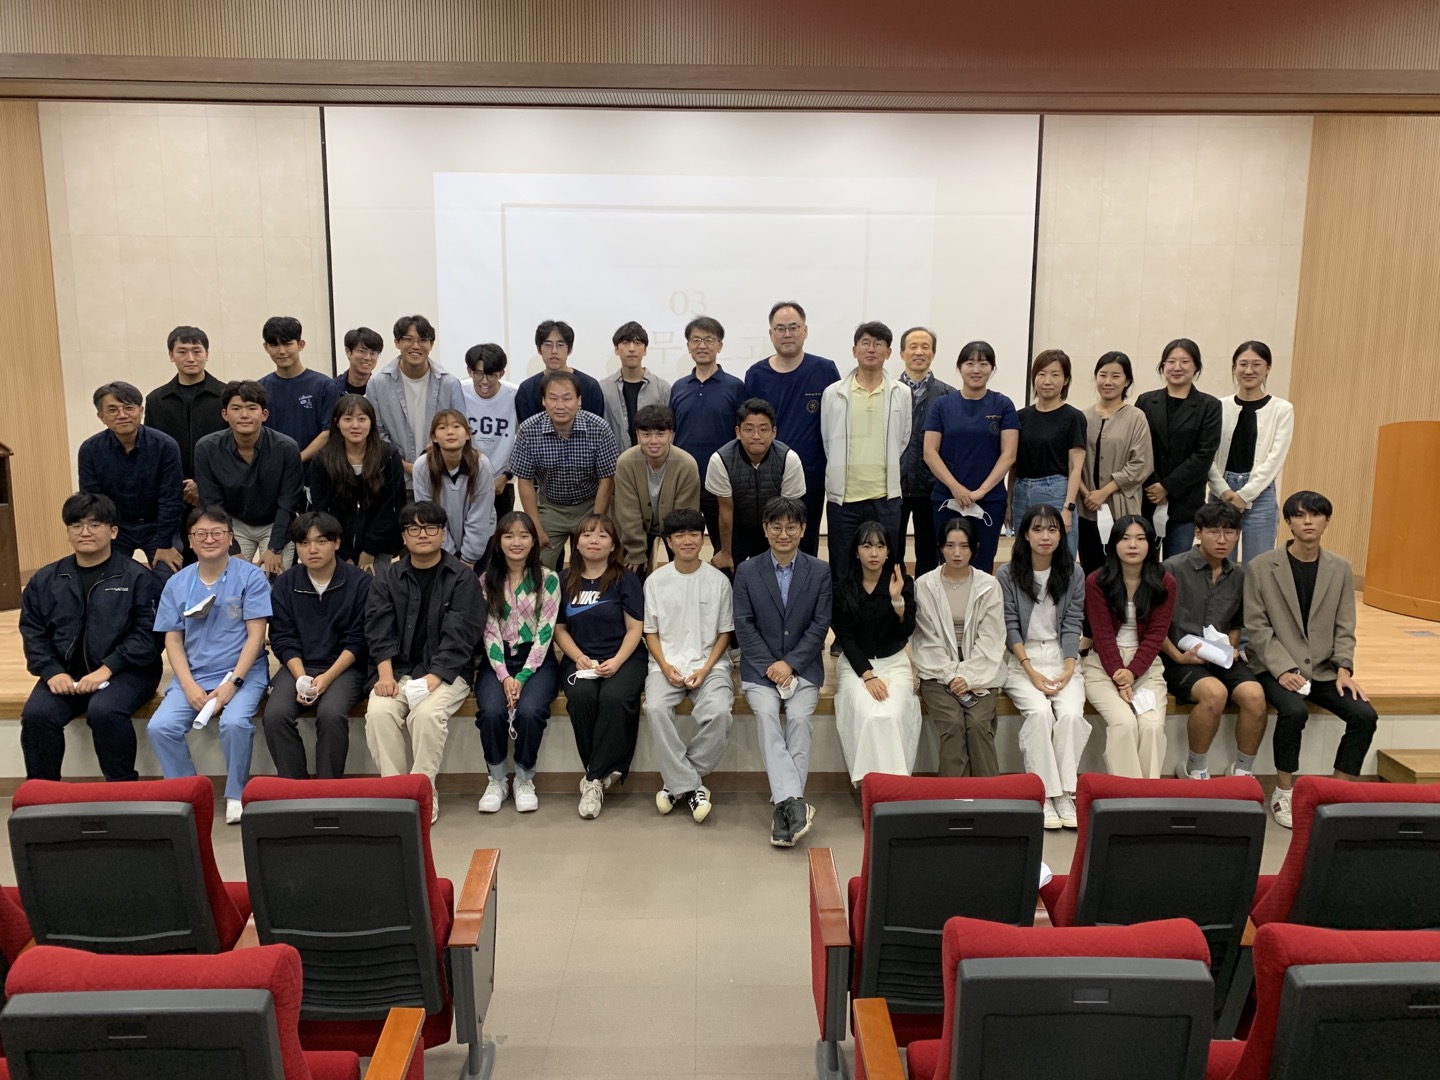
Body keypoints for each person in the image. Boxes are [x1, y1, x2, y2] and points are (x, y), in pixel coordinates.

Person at [1246, 491, 1377, 829]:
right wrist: (1283, 669)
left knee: (1365, 715)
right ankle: (1284, 791)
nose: (1308, 521)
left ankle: (1337, 790)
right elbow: (1257, 627)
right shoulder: (1261, 566)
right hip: (1276, 666)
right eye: (1300, 515)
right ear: (1288, 522)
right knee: (1294, 711)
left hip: (1323, 669)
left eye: (1316, 515)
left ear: (1326, 521)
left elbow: (1345, 625)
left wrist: (1344, 668)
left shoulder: (1340, 568)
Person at [19, 493, 162, 782]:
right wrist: (51, 671)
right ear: (68, 532)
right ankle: (42, 795)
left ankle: (122, 790)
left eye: (95, 525)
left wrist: (107, 668)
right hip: (66, 672)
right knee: (37, 715)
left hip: (128, 670)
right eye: (76, 525)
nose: (85, 532)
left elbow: (149, 635)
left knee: (104, 711)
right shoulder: (46, 579)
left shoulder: (137, 578)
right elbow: (33, 631)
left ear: (113, 531)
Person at [363, 501, 485, 823]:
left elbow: (462, 635)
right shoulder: (387, 577)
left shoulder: (462, 578)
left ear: (443, 534)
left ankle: (421, 794)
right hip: (397, 670)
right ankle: (395, 794)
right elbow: (378, 628)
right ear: (404, 536)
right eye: (413, 528)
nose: (423, 534)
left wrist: (434, 677)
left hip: (447, 673)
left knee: (426, 715)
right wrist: (385, 675)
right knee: (379, 712)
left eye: (431, 527)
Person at [148, 506, 271, 825]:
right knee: (161, 727)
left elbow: (256, 636)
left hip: (243, 673)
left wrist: (234, 683)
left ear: (230, 538)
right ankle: (188, 793)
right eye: (200, 533)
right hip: (194, 674)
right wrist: (188, 685)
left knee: (235, 723)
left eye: (217, 532)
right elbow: (173, 640)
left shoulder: (251, 577)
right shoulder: (176, 583)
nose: (209, 539)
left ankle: (236, 794)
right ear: (189, 541)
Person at [733, 496, 832, 847]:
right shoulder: (747, 571)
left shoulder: (819, 571)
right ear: (765, 529)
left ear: (804, 529)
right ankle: (794, 804)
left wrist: (790, 663)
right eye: (776, 527)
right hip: (760, 669)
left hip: (802, 668)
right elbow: (743, 625)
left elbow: (820, 625)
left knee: (801, 721)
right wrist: (771, 665)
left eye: (791, 527)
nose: (784, 533)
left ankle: (784, 809)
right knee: (766, 716)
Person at [1162, 500, 1268, 781]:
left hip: (1219, 656)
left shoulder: (1238, 575)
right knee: (1215, 694)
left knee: (1255, 696)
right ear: (1198, 532)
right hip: (1178, 657)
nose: (1222, 540)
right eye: (1214, 532)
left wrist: (1230, 646)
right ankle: (1194, 767)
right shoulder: (1172, 568)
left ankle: (1242, 770)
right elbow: (1153, 625)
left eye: (1230, 532)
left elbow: (1235, 624)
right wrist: (1177, 656)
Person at [997, 504, 1088, 830]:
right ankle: (1044, 794)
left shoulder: (1073, 573)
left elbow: (1072, 623)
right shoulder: (1007, 574)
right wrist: (1030, 669)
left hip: (1062, 656)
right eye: (1037, 529)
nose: (1045, 536)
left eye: (1052, 529)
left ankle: (1065, 793)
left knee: (1071, 715)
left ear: (1061, 535)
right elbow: (1009, 625)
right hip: (1023, 658)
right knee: (1039, 713)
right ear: (1025, 534)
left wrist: (1069, 666)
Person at [550, 514, 646, 820]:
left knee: (615, 698)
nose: (594, 541)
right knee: (582, 698)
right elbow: (559, 629)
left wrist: (617, 661)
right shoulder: (563, 580)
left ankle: (592, 779)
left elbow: (635, 628)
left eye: (603, 535)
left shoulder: (626, 579)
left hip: (625, 656)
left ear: (614, 544)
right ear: (576, 542)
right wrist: (577, 655)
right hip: (580, 658)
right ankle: (603, 772)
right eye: (587, 535)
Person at [262, 512, 371, 779]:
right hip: (299, 665)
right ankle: (295, 787)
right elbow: (282, 637)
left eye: (321, 541)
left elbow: (358, 639)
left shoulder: (360, 582)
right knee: (275, 715)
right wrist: (301, 678)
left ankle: (327, 788)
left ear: (336, 542)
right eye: (304, 542)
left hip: (345, 667)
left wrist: (326, 678)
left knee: (331, 714)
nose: (312, 549)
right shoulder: (286, 583)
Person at [643, 508, 734, 823]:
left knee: (720, 713)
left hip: (710, 667)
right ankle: (693, 785)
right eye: (679, 535)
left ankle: (677, 782)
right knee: (655, 708)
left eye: (694, 533)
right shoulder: (655, 581)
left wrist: (705, 669)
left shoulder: (718, 581)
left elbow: (725, 633)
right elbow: (650, 632)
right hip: (664, 666)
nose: (687, 540)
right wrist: (665, 665)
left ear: (703, 538)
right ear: (668, 541)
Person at [475, 511, 562, 814]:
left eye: (524, 535)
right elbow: (489, 632)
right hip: (496, 661)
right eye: (509, 535)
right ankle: (497, 779)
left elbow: (545, 632)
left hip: (537, 660)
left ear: (534, 541)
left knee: (530, 711)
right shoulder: (486, 580)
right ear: (498, 541)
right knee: (491, 712)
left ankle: (524, 779)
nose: (516, 542)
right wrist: (504, 675)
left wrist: (522, 676)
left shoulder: (548, 579)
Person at [911, 516, 1007, 777]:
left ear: (974, 548)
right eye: (950, 545)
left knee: (978, 724)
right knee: (952, 724)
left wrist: (967, 676)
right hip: (937, 669)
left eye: (964, 546)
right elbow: (925, 639)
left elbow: (992, 639)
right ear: (940, 547)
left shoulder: (989, 585)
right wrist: (951, 675)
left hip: (981, 667)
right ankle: (955, 796)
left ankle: (987, 795)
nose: (957, 553)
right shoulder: (924, 585)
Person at [743, 302, 840, 557]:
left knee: (805, 546)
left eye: (793, 327)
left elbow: (838, 423)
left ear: (805, 331)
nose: (787, 334)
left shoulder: (825, 370)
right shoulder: (756, 374)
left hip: (811, 477)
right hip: (766, 479)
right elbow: (748, 428)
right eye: (780, 328)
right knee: (765, 547)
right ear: (771, 333)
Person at [1083, 515, 1176, 779]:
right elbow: (1102, 635)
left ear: (1150, 543)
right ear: (1113, 543)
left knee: (1152, 727)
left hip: (1145, 666)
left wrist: (1132, 673)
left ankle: (1148, 794)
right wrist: (1120, 676)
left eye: (1140, 538)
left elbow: (1156, 635)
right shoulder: (1097, 581)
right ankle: (1126, 794)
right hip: (1102, 666)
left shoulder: (1165, 582)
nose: (1132, 545)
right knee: (1124, 724)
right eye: (1125, 538)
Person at [831, 521, 920, 786]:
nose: (874, 553)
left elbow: (906, 631)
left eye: (880, 546)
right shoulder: (844, 587)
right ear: (856, 551)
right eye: (867, 546)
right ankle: (871, 785)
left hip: (894, 662)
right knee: (868, 713)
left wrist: (897, 600)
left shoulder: (902, 583)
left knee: (891, 713)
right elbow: (845, 638)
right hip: (856, 665)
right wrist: (868, 675)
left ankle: (895, 785)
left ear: (888, 551)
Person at [820, 321, 911, 573]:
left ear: (888, 352)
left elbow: (903, 439)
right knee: (842, 567)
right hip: (844, 499)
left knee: (885, 568)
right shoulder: (833, 393)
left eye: (878, 344)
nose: (871, 349)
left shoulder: (901, 393)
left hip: (885, 498)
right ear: (854, 350)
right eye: (865, 343)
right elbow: (828, 439)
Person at [923, 340, 1020, 573]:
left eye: (983, 364)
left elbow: (1009, 455)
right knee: (948, 563)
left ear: (992, 368)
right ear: (959, 367)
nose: (976, 370)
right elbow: (929, 452)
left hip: (989, 500)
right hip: (947, 498)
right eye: (969, 363)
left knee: (982, 564)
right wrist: (955, 488)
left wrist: (981, 491)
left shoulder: (1003, 405)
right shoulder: (942, 405)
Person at [509, 370, 621, 569]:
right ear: (543, 401)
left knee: (596, 562)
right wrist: (536, 527)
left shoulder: (599, 428)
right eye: (553, 398)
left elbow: (607, 479)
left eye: (567, 398)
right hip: (550, 507)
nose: (560, 406)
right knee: (539, 566)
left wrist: (595, 523)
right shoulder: (528, 430)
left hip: (590, 503)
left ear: (579, 400)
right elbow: (525, 481)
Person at [193, 380, 304, 576]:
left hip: (275, 523)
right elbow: (212, 504)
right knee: (230, 580)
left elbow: (288, 503)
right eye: (236, 408)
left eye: (252, 408)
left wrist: (274, 548)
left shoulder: (286, 448)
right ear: (225, 414)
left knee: (276, 580)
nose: (244, 415)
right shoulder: (207, 448)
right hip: (233, 523)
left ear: (264, 414)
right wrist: (233, 548)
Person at [78, 380, 184, 575]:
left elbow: (171, 499)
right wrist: (103, 536)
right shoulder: (90, 450)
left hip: (158, 526)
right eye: (113, 410)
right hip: (116, 527)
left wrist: (165, 543)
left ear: (141, 411)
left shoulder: (165, 446)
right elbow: (93, 500)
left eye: (129, 408)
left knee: (168, 577)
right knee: (108, 580)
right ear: (101, 416)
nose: (122, 415)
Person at [1208, 340, 1295, 565]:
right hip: (1221, 491)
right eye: (1243, 364)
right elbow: (1206, 454)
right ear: (1234, 367)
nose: (1249, 370)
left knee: (1258, 565)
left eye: (1256, 364)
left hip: (1260, 494)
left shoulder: (1282, 409)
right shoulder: (1218, 406)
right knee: (1218, 563)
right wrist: (1225, 492)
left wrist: (1244, 495)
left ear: (1268, 368)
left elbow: (1275, 458)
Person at [1136, 338, 1223, 558]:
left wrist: (1167, 487)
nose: (1177, 367)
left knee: (1177, 566)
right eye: (1171, 361)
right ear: (1162, 365)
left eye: (1185, 361)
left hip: (1185, 502)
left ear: (1196, 367)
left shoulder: (1209, 406)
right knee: (1144, 565)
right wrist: (1154, 484)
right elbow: (1137, 448)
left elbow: (1204, 454)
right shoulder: (1145, 401)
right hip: (1147, 498)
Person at [669, 316, 745, 551]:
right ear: (688, 346)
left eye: (709, 340)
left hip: (721, 480)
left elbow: (742, 433)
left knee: (725, 548)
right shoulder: (678, 387)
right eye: (696, 340)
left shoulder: (735, 386)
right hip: (684, 481)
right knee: (682, 543)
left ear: (719, 345)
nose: (702, 345)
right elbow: (671, 433)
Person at [704, 398, 806, 572]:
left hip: (773, 528)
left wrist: (785, 549)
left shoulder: (789, 459)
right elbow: (726, 510)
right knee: (725, 571)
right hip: (737, 528)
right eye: (749, 429)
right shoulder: (720, 460)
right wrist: (726, 552)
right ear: (738, 432)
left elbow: (789, 511)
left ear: (774, 432)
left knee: (780, 574)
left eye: (763, 429)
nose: (756, 436)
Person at [308, 395, 406, 571]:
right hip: (336, 546)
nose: (355, 426)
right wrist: (343, 553)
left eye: (362, 419)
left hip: (379, 545)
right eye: (347, 419)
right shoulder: (323, 459)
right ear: (337, 423)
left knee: (375, 587)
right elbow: (322, 510)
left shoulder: (388, 455)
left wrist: (370, 550)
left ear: (371, 422)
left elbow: (392, 506)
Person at [144, 325, 228, 530]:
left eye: (197, 351)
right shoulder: (156, 400)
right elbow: (153, 450)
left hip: (219, 492)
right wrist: (183, 485)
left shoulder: (226, 396)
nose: (190, 358)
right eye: (182, 352)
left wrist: (201, 484)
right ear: (171, 355)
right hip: (171, 494)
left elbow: (230, 446)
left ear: (207, 354)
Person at [1077, 352, 1153, 575]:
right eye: (1103, 375)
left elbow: (1141, 464)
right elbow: (1073, 463)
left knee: (1122, 571)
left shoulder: (1137, 417)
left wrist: (1104, 492)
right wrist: (1087, 494)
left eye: (1116, 376)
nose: (1108, 382)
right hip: (1086, 509)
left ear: (1127, 381)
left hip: (1122, 507)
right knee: (1091, 570)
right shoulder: (1082, 417)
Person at [366, 315, 466, 483]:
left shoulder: (449, 384)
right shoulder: (378, 383)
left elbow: (459, 429)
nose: (415, 346)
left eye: (423, 340)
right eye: (408, 339)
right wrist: (402, 465)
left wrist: (432, 458)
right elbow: (376, 431)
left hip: (440, 477)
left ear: (431, 344)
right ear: (397, 343)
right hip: (393, 477)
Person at [1010, 349, 1086, 559]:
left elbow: (1076, 467)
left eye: (1055, 374)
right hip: (1022, 491)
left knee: (1060, 557)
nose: (1047, 381)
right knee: (1024, 556)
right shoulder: (1021, 417)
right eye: (1041, 374)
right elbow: (1014, 465)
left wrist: (1068, 508)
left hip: (1056, 492)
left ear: (1066, 380)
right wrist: (1009, 504)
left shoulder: (1073, 417)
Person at [611, 404, 701, 574]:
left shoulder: (687, 465)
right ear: (637, 435)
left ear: (671, 435)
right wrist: (636, 552)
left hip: (675, 530)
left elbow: (684, 515)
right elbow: (628, 512)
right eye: (646, 434)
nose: (653, 441)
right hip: (637, 529)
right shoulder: (625, 463)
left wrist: (680, 550)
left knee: (681, 571)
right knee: (633, 572)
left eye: (660, 434)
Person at [896, 326, 953, 577]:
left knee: (930, 555)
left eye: (925, 347)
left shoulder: (948, 395)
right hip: (894, 487)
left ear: (933, 354)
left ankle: (926, 600)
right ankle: (896, 599)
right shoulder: (888, 391)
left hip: (932, 488)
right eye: (913, 347)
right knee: (891, 552)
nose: (919, 352)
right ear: (902, 353)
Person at [412, 409, 496, 567]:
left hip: (479, 544)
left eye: (456, 426)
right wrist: (449, 555)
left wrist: (468, 558)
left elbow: (480, 514)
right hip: (439, 545)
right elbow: (429, 515)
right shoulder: (422, 467)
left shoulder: (481, 465)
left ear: (468, 434)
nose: (450, 432)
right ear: (434, 437)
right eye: (442, 428)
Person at [258, 315, 341, 465]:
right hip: (273, 469)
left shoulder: (324, 386)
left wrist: (298, 459)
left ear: (301, 345)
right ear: (266, 347)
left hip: (314, 470)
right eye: (274, 345)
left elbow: (330, 431)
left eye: (287, 344)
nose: (281, 351)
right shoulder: (260, 389)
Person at [461, 342, 519, 522]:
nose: (484, 381)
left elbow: (525, 443)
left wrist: (506, 477)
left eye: (491, 375)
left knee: (502, 534)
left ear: (501, 373)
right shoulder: (458, 391)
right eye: (478, 374)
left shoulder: (515, 395)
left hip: (501, 483)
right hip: (464, 482)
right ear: (469, 371)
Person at [514, 319, 606, 423]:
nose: (554, 351)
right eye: (548, 345)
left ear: (569, 349)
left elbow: (597, 426)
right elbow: (526, 429)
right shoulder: (526, 390)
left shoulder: (590, 386)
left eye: (560, 345)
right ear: (539, 349)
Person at [600, 321, 672, 450]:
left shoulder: (662, 388)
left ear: (645, 350)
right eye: (625, 343)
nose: (632, 348)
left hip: (653, 458)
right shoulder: (603, 388)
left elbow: (669, 429)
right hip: (614, 459)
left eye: (638, 343)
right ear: (616, 349)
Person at [335, 326, 383, 396]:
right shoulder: (333, 388)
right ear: (348, 352)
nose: (368, 358)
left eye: (373, 353)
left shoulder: (382, 390)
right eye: (362, 351)